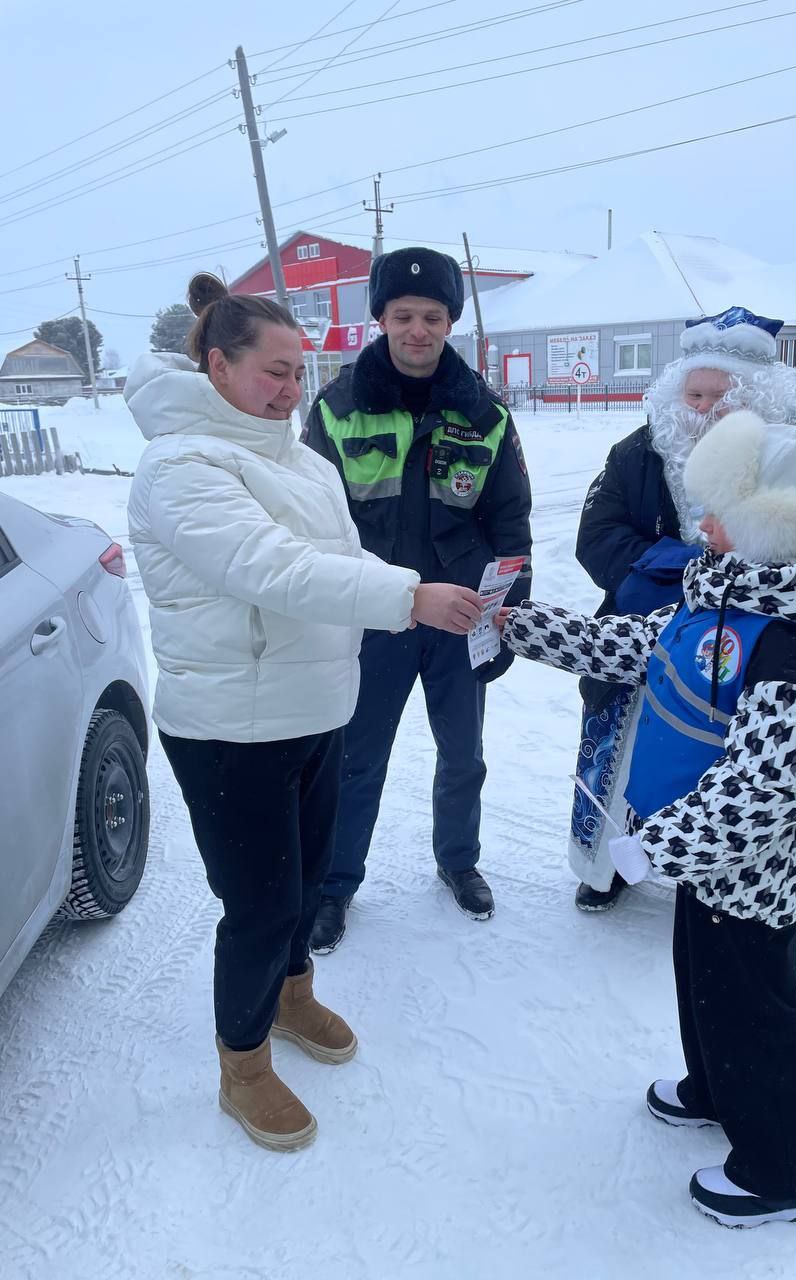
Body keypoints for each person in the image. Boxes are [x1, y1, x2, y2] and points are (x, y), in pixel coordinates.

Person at [126, 273, 481, 1152]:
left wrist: (434, 590)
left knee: (308, 877)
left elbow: (338, 559)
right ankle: (241, 1063)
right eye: (273, 372)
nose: (292, 391)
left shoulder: (299, 456)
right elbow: (273, 569)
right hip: (229, 728)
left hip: (315, 706)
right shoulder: (181, 466)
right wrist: (411, 597)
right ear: (217, 364)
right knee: (260, 904)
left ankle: (291, 996)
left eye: (300, 373)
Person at [497, 409, 796, 1227]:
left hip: (761, 854)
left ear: (768, 530)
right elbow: (634, 647)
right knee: (703, 972)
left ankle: (787, 1172)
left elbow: (764, 789)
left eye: (718, 514)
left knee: (753, 999)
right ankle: (716, 1085)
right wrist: (516, 625)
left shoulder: (788, 649)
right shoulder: (722, 601)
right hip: (708, 851)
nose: (699, 524)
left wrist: (653, 849)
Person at [303, 246, 532, 952]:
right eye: (403, 315)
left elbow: (511, 519)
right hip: (374, 616)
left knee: (463, 755)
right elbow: (314, 520)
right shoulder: (337, 409)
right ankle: (335, 887)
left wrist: (505, 618)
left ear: (450, 321)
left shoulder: (485, 414)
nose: (418, 329)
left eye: (433, 315)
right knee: (355, 759)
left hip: (461, 617)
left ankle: (458, 861)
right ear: (380, 319)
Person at [570, 306, 796, 912]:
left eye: (722, 396)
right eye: (695, 392)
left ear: (759, 400)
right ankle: (608, 866)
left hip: (747, 649)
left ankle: (715, 879)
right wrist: (687, 571)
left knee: (725, 768)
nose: (703, 409)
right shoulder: (640, 449)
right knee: (623, 755)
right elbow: (596, 535)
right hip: (639, 638)